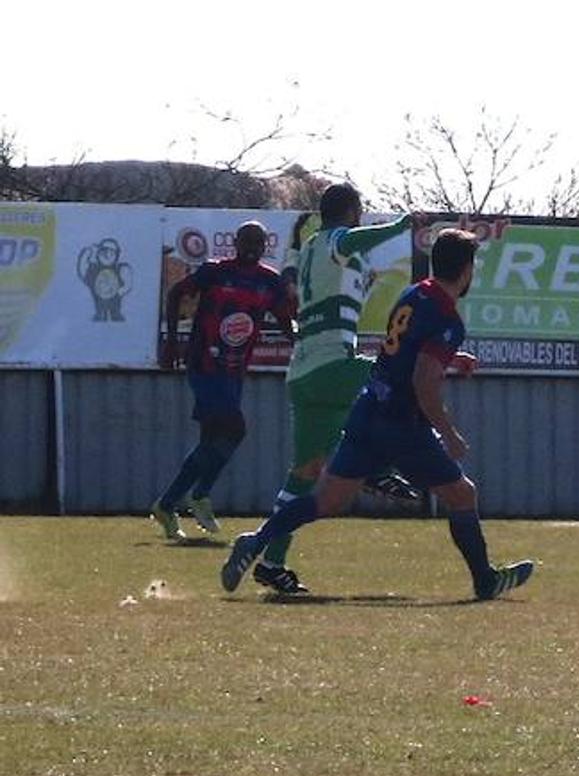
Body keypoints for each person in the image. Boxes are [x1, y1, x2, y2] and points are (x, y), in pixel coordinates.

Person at [220, 229, 534, 601]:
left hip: (368, 410)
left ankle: (257, 539)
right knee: (463, 495)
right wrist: (448, 433)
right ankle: (485, 580)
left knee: (326, 500)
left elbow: (403, 351)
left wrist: (448, 358)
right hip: (402, 425)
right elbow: (423, 382)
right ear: (466, 271)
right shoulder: (448, 319)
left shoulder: (413, 294)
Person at [252, 185, 421, 593]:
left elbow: (292, 274)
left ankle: (271, 563)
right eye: (359, 211)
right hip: (332, 363)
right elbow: (354, 240)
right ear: (351, 211)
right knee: (398, 383)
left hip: (301, 374)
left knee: (304, 474)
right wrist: (401, 225)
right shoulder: (335, 241)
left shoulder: (310, 246)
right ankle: (376, 470)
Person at [151, 221, 295, 540]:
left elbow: (286, 322)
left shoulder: (269, 282)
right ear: (235, 242)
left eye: (258, 242)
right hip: (204, 363)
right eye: (247, 241)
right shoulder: (216, 272)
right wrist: (172, 340)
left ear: (265, 245)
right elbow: (176, 293)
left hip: (233, 371)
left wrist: (305, 343)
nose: (252, 247)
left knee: (212, 440)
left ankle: (167, 504)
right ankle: (199, 494)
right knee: (235, 428)